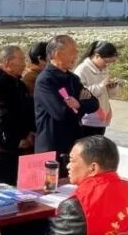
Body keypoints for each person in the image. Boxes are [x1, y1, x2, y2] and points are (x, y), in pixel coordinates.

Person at [34, 35, 99, 174]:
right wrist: (80, 106)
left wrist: (78, 105)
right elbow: (61, 113)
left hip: (73, 143)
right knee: (50, 184)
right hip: (52, 146)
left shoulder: (73, 79)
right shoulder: (45, 80)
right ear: (58, 54)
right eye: (72, 52)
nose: (76, 56)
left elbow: (94, 104)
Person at [0, 45, 35, 185]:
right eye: (21, 60)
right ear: (7, 63)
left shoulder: (19, 85)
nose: (24, 64)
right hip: (1, 151)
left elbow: (29, 111)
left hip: (23, 147)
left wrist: (29, 133)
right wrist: (18, 139)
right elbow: (1, 120)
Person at [73, 41, 120, 138]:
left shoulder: (103, 70)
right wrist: (101, 85)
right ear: (97, 56)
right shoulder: (82, 70)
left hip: (102, 118)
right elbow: (81, 93)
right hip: (88, 119)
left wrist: (112, 87)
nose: (107, 65)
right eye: (106, 62)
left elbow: (107, 94)